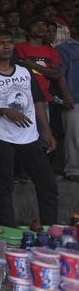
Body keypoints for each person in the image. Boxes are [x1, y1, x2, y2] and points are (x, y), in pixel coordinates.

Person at [0, 29, 59, 226]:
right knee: (4, 187)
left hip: (30, 137)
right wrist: (3, 111)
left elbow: (37, 101)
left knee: (47, 184)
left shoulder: (25, 71)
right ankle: (9, 229)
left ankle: (50, 228)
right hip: (0, 138)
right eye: (1, 43)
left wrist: (47, 131)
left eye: (10, 42)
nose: (7, 46)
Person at [59, 20, 79, 181]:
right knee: (74, 135)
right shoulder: (64, 49)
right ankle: (73, 170)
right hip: (74, 97)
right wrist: (66, 95)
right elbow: (60, 75)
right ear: (73, 29)